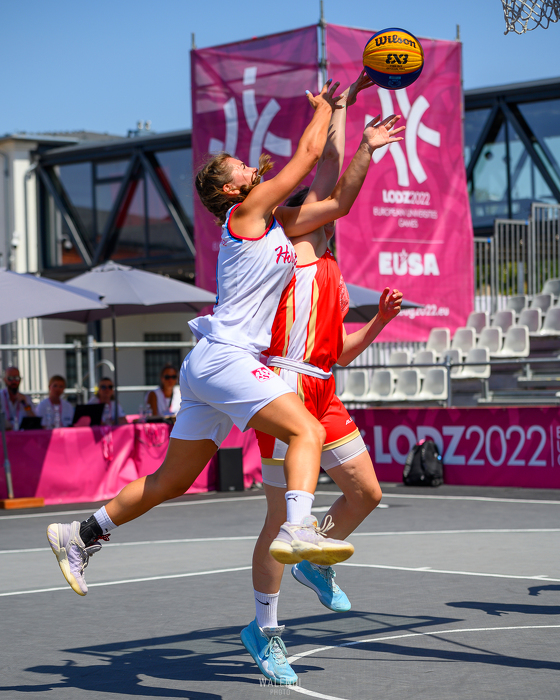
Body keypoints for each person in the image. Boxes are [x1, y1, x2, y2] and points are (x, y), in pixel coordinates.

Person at [46, 81, 404, 625]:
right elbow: (309, 156)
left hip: (209, 365)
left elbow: (336, 199)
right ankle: (299, 529)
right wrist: (326, 109)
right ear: (230, 189)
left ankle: (81, 533)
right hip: (229, 358)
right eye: (239, 166)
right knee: (306, 432)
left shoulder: (275, 226)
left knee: (171, 481)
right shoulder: (247, 213)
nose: (249, 166)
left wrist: (352, 133)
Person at [241, 73, 403, 685]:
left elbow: (339, 355)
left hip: (321, 388)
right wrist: (358, 137)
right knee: (276, 521)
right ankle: (264, 631)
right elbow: (335, 181)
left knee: (367, 493)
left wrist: (340, 104)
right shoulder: (283, 227)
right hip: (281, 388)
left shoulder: (328, 261)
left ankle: (315, 560)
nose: (325, 200)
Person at [0, 366, 35, 430]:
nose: (14, 381)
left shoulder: (25, 398)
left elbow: (34, 421)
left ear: (20, 380)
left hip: (21, 434)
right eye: (10, 378)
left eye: (16, 378)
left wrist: (25, 404)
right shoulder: (1, 396)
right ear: (4, 380)